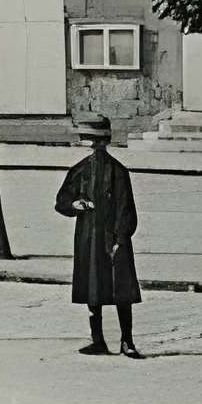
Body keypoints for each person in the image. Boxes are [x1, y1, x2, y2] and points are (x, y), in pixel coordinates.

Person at [56, 112, 144, 357]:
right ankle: (98, 340)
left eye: (99, 143)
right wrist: (76, 205)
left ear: (106, 143)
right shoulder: (80, 170)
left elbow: (127, 210)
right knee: (92, 290)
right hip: (89, 239)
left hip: (114, 239)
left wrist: (121, 239)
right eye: (92, 143)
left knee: (121, 292)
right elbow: (62, 200)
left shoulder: (118, 172)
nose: (96, 148)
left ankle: (127, 341)